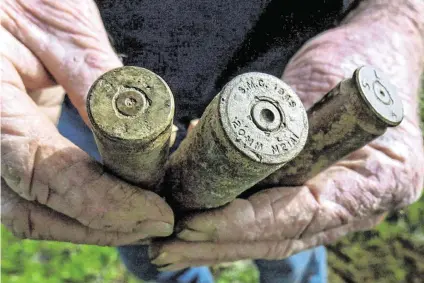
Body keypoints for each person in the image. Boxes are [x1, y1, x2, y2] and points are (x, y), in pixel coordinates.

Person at [1, 0, 423, 282]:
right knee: (149, 240)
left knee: (284, 239)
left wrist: (400, 19)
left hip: (293, 89)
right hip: (70, 79)